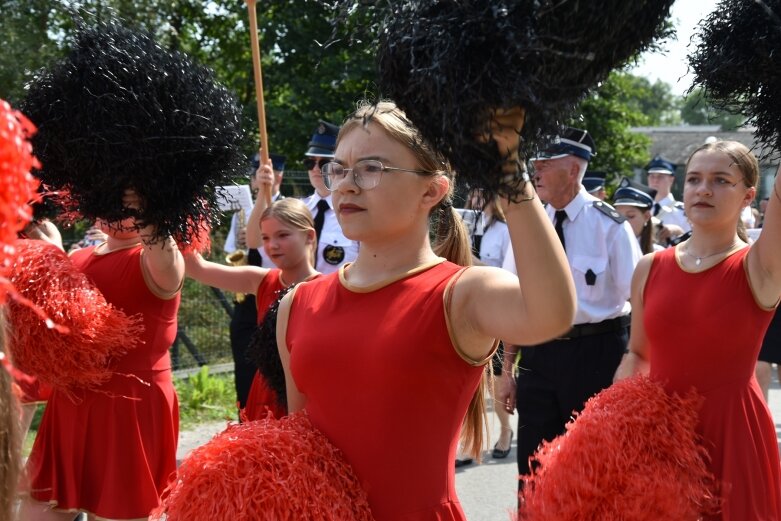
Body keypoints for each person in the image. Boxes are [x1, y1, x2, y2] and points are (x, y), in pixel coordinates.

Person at [276, 100, 575, 520]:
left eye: (371, 168)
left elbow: (552, 313)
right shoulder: (297, 303)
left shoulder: (463, 292)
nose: (346, 184)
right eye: (338, 169)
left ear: (432, 189)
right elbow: (299, 443)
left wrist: (509, 171)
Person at [614, 140, 781, 520]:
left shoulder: (760, 268)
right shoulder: (650, 267)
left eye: (721, 180)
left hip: (733, 436)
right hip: (661, 434)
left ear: (748, 196)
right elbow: (638, 354)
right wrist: (616, 420)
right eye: (694, 179)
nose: (703, 189)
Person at [22, 190, 184, 521]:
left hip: (131, 405)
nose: (113, 208)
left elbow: (164, 255)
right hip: (72, 401)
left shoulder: (157, 257)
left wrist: (147, 198)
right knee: (36, 507)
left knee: (121, 513)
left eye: (125, 202)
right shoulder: (78, 256)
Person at [499, 126, 642, 497]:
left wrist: (631, 365)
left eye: (545, 163)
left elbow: (642, 301)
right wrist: (506, 371)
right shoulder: (530, 223)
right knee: (532, 468)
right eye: (535, 163)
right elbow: (515, 297)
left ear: (574, 170)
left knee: (594, 466)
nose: (536, 171)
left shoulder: (610, 226)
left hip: (597, 353)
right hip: (539, 354)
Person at [186, 177, 319, 420]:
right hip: (265, 398)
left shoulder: (328, 287)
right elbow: (196, 269)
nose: (272, 246)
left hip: (309, 398)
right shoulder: (261, 281)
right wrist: (184, 213)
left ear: (309, 236)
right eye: (266, 238)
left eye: (282, 235)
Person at [224, 153, 286, 413]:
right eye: (254, 175)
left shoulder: (288, 207)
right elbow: (233, 249)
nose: (256, 179)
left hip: (277, 295)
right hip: (249, 298)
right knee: (246, 370)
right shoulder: (243, 212)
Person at [461, 188, 513, 461]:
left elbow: (509, 274)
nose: (476, 201)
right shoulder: (463, 226)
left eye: (482, 195)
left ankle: (505, 430)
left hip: (495, 312)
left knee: (493, 382)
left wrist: (474, 262)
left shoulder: (505, 231)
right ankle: (469, 442)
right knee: (466, 381)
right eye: (473, 195)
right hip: (465, 312)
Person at [294, 121, 359, 275]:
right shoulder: (298, 210)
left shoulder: (356, 212)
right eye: (310, 162)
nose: (316, 169)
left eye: (324, 162)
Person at [613, 177, 664, 255]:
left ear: (646, 216)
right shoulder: (607, 250)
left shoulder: (659, 254)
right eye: (618, 216)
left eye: (630, 216)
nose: (623, 222)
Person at [646, 155, 690, 243]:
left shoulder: (683, 211)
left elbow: (695, 241)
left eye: (660, 176)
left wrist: (678, 231)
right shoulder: (642, 208)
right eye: (652, 176)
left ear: (671, 179)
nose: (655, 180)